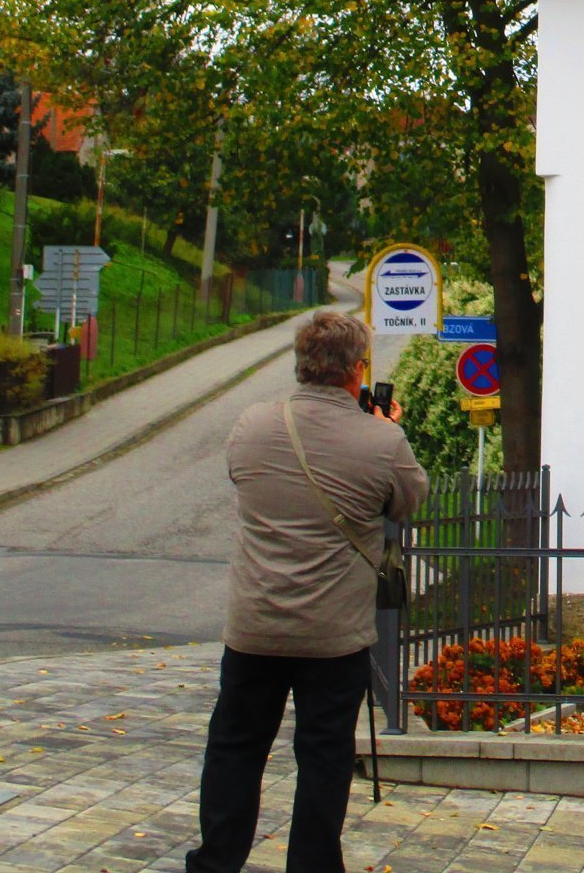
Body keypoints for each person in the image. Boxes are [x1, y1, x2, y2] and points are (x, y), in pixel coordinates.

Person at [187, 309, 427, 873]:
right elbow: (408, 501)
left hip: (255, 626)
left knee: (235, 747)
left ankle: (216, 862)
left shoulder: (250, 425)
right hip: (333, 635)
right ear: (357, 372)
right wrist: (389, 428)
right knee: (323, 756)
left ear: (301, 366)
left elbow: (240, 478)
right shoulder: (381, 441)